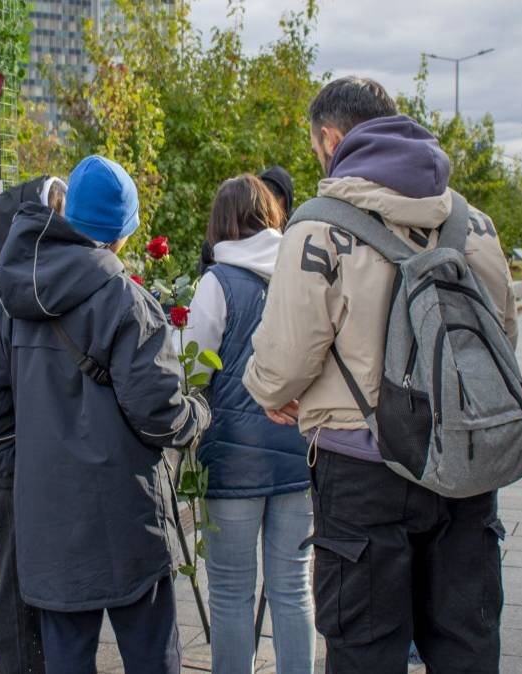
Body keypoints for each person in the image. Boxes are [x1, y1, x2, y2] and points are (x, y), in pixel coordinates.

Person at [243, 76, 518, 673]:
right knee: (466, 643)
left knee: (366, 649)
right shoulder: (475, 225)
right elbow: (501, 338)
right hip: (464, 463)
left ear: (333, 137)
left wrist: (268, 392)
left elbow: (287, 358)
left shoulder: (319, 227)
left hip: (362, 473)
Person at [0, 155, 210, 673]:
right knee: (152, 657)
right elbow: (158, 413)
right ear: (121, 234)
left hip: (48, 527)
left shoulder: (13, 299)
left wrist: (32, 474)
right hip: (128, 518)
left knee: (65, 660)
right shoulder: (128, 302)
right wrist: (197, 417)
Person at [183, 174, 314, 674]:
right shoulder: (302, 273)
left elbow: (192, 367)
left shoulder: (217, 283)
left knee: (232, 594)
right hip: (301, 452)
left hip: (233, 460)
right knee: (293, 587)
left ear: (221, 223)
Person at [0, 174, 66, 674]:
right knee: (15, 586)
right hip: (12, 462)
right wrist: (12, 453)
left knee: (33, 580)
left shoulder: (22, 284)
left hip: (25, 455)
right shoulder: (3, 293)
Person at [198, 166, 295, 275]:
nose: (270, 210)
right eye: (266, 201)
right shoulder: (239, 223)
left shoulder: (293, 231)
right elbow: (208, 258)